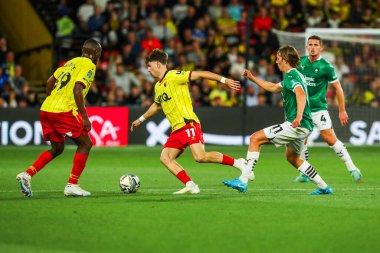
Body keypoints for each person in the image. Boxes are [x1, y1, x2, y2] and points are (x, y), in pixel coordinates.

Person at [130, 48, 249, 194]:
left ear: (158, 64)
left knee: (200, 157)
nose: (148, 70)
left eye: (149, 66)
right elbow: (157, 105)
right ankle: (190, 185)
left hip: (188, 123)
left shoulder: (173, 76)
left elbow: (201, 74)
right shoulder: (158, 86)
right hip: (176, 129)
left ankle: (239, 163)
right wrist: (140, 119)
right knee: (165, 158)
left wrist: (224, 80)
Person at [223, 45, 332, 195]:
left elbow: (300, 94)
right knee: (293, 158)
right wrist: (252, 78)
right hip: (303, 126)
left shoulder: (292, 76)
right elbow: (274, 87)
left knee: (255, 138)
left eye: (278, 58)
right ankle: (324, 187)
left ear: (285, 59)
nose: (276, 61)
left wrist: (299, 116)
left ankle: (243, 180)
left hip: (296, 124)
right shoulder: (292, 75)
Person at [16, 39, 102, 197]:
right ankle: (72, 185)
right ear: (95, 54)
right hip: (64, 110)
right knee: (85, 144)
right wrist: (84, 117)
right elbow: (78, 89)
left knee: (57, 148)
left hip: (46, 108)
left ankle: (26, 175)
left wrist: (53, 99)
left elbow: (50, 82)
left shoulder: (70, 63)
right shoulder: (89, 65)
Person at [293, 35, 362, 183]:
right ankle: (305, 173)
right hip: (303, 109)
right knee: (300, 139)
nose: (312, 47)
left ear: (321, 48)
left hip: (319, 109)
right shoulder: (300, 63)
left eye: (316, 45)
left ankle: (353, 168)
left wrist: (342, 110)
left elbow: (338, 88)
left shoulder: (326, 66)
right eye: (310, 44)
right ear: (306, 47)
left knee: (330, 139)